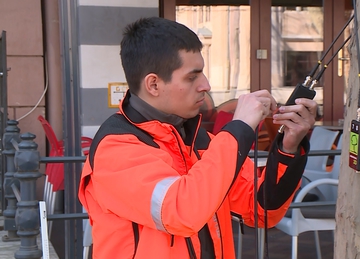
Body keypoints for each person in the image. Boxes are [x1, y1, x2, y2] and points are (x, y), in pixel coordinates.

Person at [78, 16, 318, 259]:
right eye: (192, 77)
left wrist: (289, 147)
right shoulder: (117, 148)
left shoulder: (197, 139)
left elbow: (260, 208)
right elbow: (182, 211)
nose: (206, 85)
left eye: (202, 73)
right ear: (153, 84)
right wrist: (240, 127)